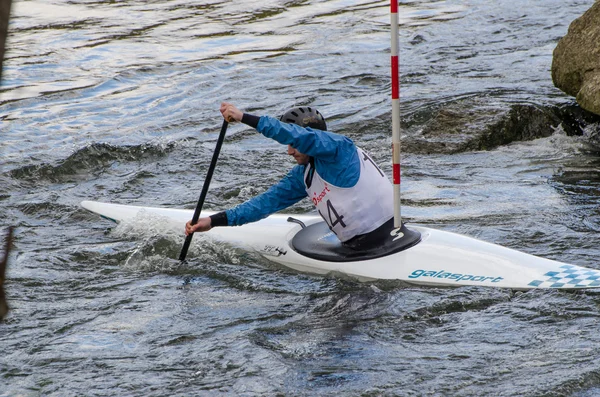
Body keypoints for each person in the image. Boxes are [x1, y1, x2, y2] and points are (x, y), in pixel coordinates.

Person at [185, 102, 395, 250]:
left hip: (385, 236)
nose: (289, 151)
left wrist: (244, 118)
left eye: (294, 145)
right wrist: (213, 221)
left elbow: (296, 135)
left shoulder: (340, 148)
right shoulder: (303, 175)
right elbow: (265, 203)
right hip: (360, 246)